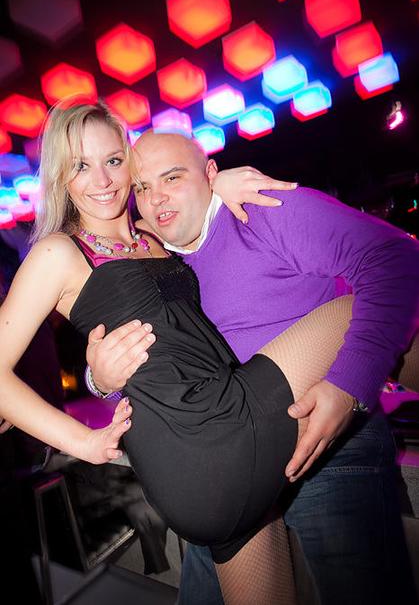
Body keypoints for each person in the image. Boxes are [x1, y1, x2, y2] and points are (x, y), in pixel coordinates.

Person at [0, 99, 370, 604]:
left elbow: (187, 210)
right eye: (81, 166)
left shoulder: (150, 234)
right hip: (208, 434)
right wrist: (83, 441)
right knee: (366, 303)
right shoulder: (58, 252)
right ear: (61, 177)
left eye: (113, 160)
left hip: (212, 453)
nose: (102, 180)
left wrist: (216, 184)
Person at [87, 129, 419, 605]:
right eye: (142, 186)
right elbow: (153, 369)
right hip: (234, 459)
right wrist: (100, 380)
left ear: (210, 173)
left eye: (172, 177)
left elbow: (396, 257)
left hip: (328, 445)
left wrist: (349, 384)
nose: (155, 198)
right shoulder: (152, 263)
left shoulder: (265, 209)